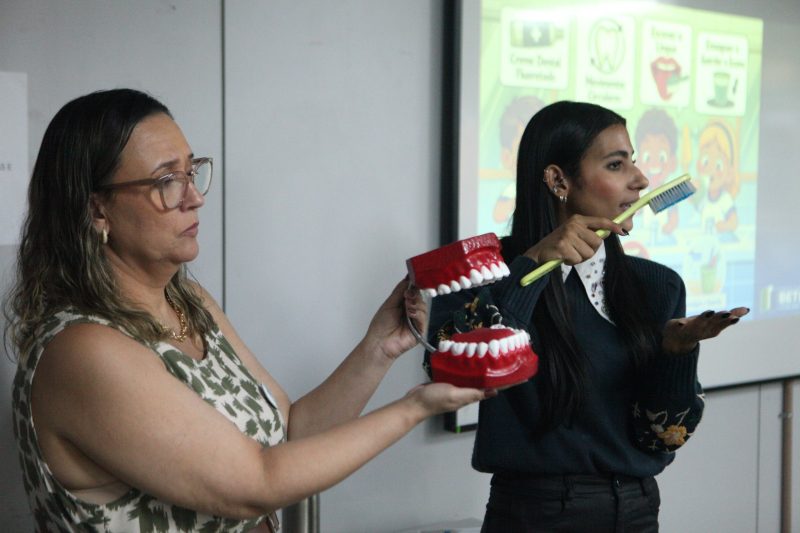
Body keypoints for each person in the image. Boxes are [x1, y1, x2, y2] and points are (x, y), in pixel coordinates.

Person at [4, 88, 493, 532]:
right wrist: (415, 407)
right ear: (96, 211)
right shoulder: (83, 350)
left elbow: (291, 433)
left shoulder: (187, 301)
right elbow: (253, 485)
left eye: (191, 171)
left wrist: (379, 349)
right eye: (166, 181)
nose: (194, 198)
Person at [428, 101, 748, 532]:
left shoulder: (658, 285)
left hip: (636, 510)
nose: (641, 179)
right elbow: (455, 376)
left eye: (632, 162)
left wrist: (678, 351)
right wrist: (534, 263)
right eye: (617, 165)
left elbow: (663, 436)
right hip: (532, 514)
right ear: (558, 180)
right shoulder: (480, 270)